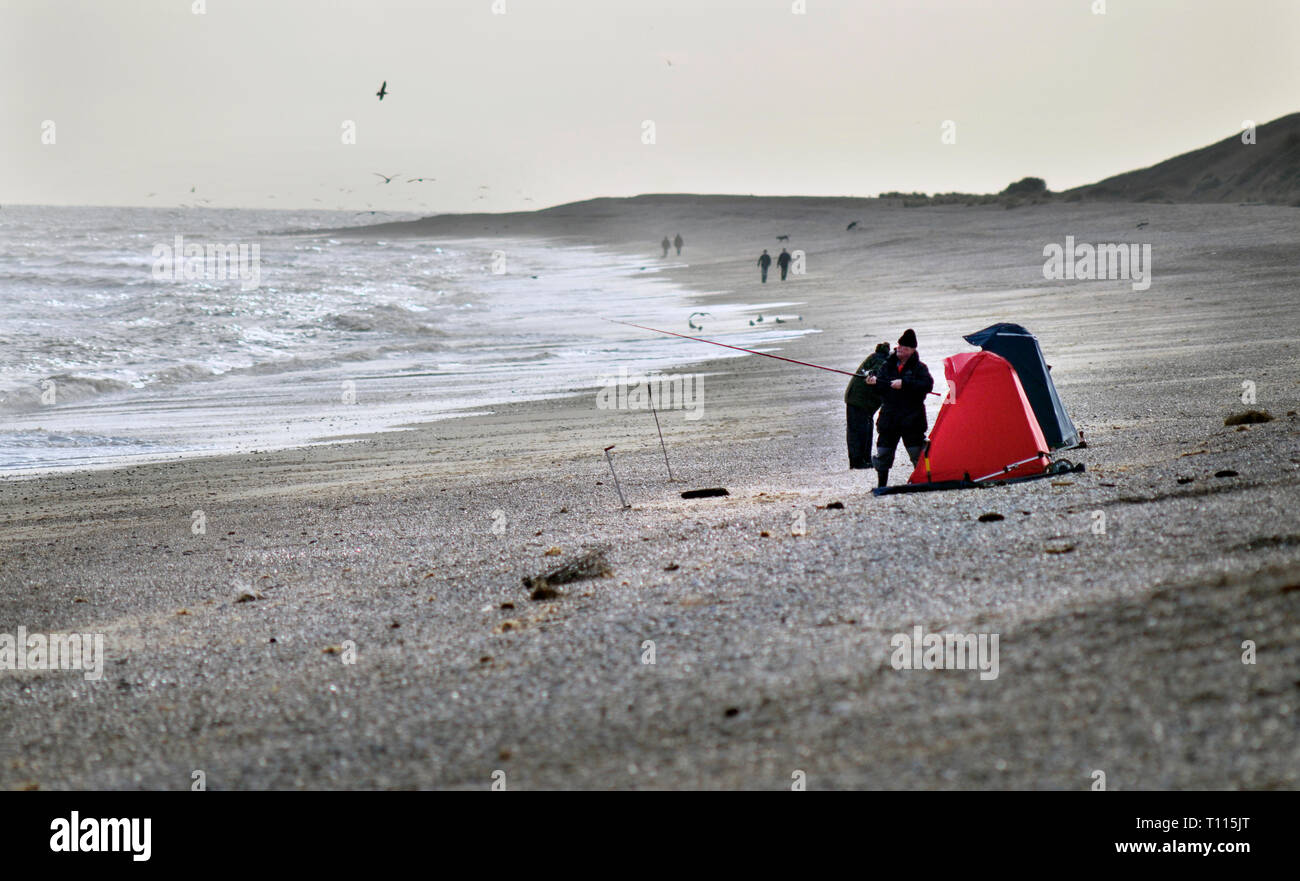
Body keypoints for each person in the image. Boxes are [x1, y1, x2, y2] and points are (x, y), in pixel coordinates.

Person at [866, 328, 933, 488]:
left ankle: (923, 482)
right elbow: (880, 387)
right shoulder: (887, 366)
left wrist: (904, 384)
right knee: (883, 454)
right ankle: (882, 485)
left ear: (912, 350)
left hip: (912, 419)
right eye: (900, 347)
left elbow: (928, 385)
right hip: (889, 418)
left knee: (917, 455)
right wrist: (873, 383)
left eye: (905, 348)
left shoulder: (920, 368)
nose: (900, 350)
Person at [844, 341, 891, 469]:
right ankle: (857, 462)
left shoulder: (878, 358)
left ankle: (865, 459)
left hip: (865, 402)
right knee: (858, 432)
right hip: (858, 400)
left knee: (866, 430)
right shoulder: (883, 361)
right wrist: (874, 377)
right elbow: (873, 373)